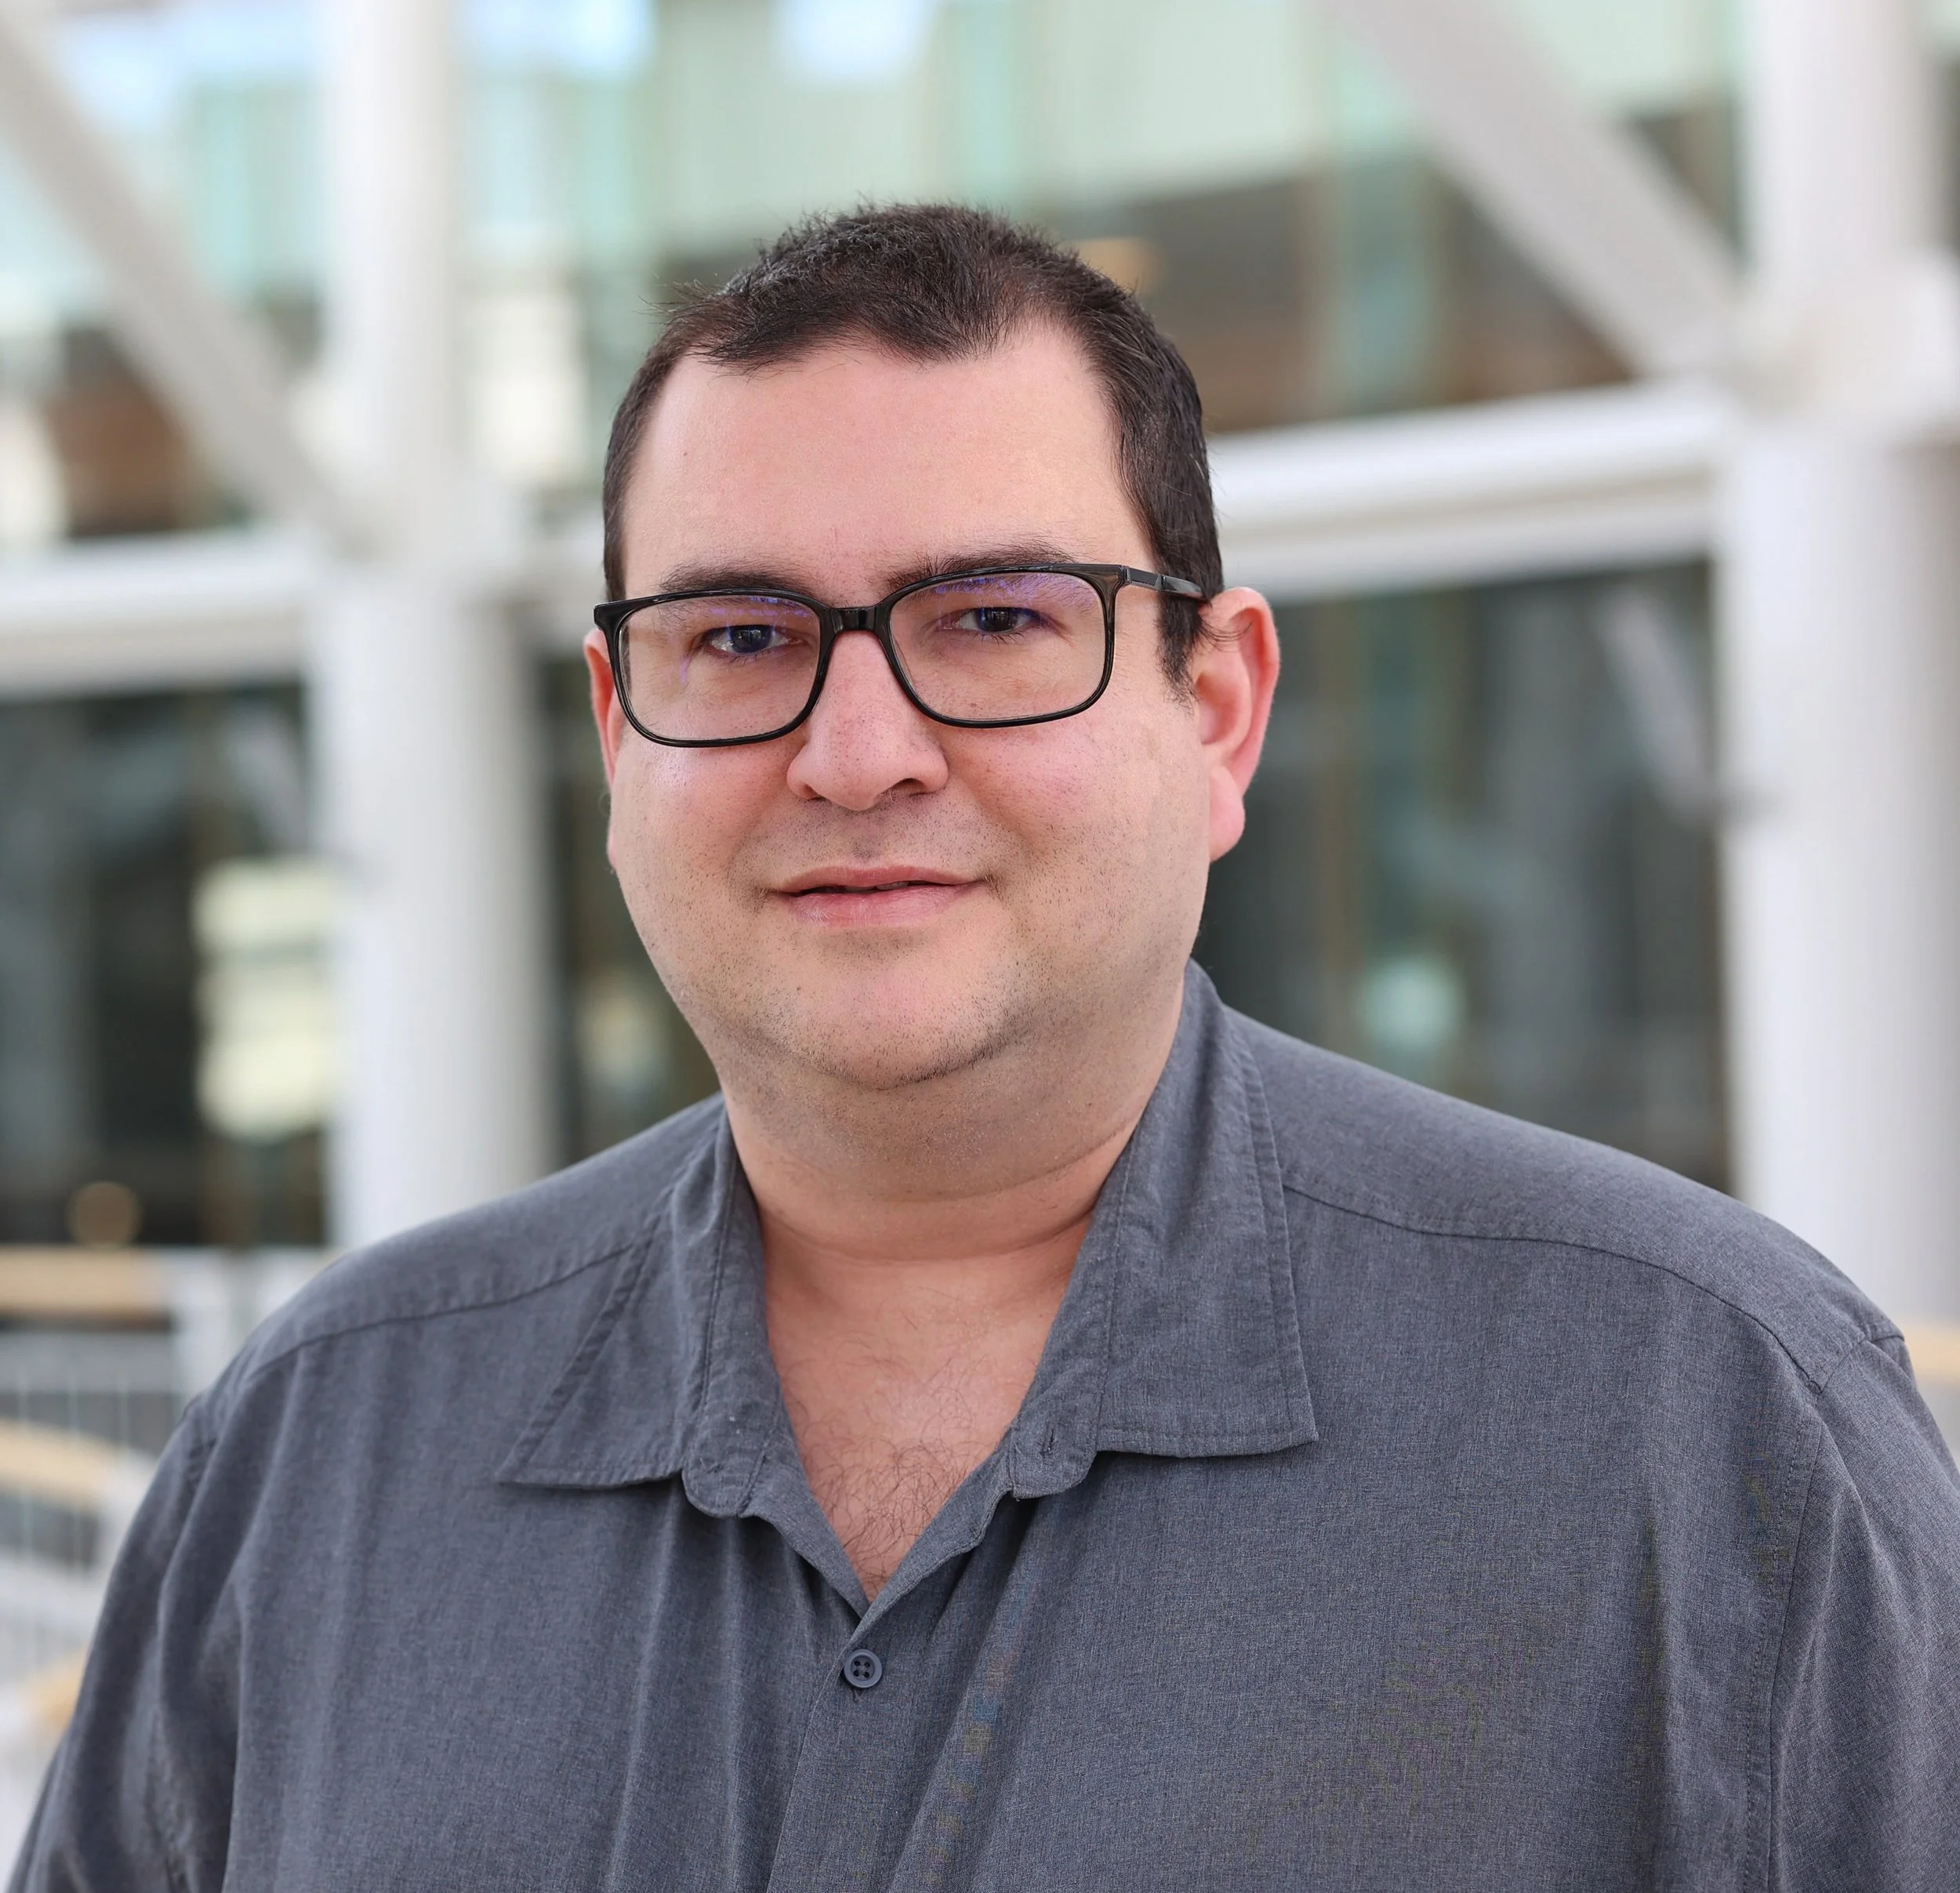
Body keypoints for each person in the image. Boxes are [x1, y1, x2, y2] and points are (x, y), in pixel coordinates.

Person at [16, 205, 1960, 1892]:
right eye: (740, 639)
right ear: (616, 727)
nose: (857, 753)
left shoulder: (1699, 1422)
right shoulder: (319, 1450)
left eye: (996, 618)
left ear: (1215, 706)